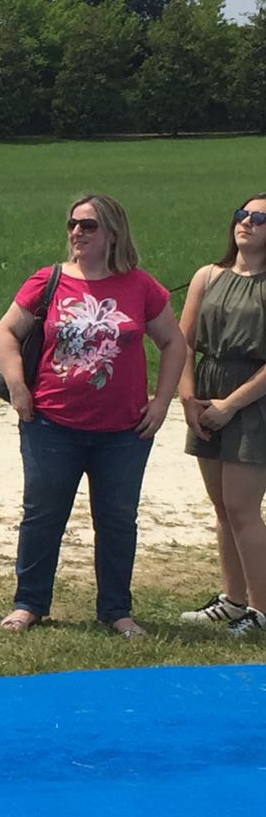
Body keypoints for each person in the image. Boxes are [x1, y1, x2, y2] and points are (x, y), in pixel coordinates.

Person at [0, 193, 185, 638]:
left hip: (123, 431)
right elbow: (6, 331)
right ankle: (29, 604)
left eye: (89, 225)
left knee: (117, 520)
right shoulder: (50, 280)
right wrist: (19, 387)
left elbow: (174, 344)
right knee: (43, 514)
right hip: (51, 423)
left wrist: (161, 402)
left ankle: (117, 610)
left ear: (113, 233)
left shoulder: (141, 286)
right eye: (72, 224)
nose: (77, 232)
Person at [178, 193, 266, 637]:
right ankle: (233, 600)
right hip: (206, 399)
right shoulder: (208, 276)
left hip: (252, 402)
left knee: (243, 507)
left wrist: (231, 405)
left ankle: (261, 608)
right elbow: (184, 343)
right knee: (222, 508)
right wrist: (189, 399)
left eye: (260, 218)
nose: (247, 222)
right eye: (242, 213)